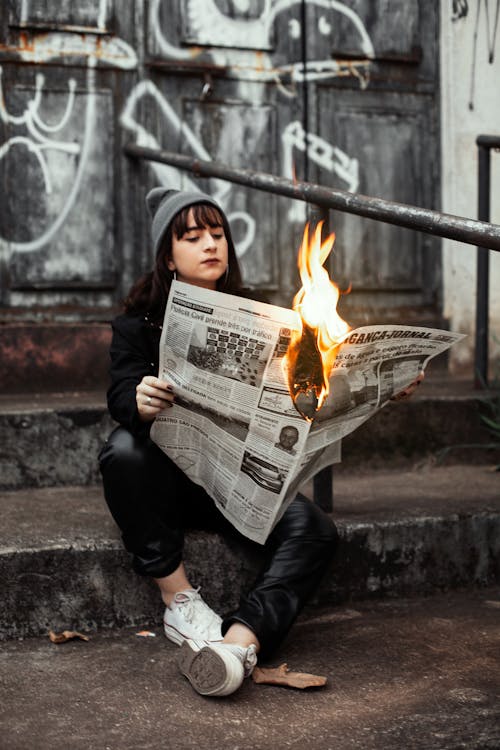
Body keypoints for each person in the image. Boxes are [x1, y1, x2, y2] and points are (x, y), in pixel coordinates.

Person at [99, 188, 339, 698]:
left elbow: (304, 395)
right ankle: (181, 602)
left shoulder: (260, 317)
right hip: (170, 484)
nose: (211, 244)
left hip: (240, 484)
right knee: (121, 451)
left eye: (217, 233)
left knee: (314, 528)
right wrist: (136, 399)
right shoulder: (136, 325)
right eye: (193, 237)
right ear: (169, 256)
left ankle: (237, 644)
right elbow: (121, 390)